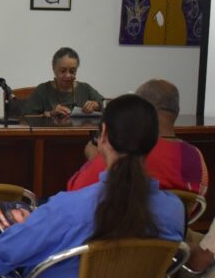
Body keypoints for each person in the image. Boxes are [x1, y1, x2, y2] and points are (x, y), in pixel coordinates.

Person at [0, 94, 185, 278]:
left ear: (103, 135)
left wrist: (31, 226)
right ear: (153, 142)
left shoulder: (68, 208)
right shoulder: (173, 211)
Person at [67, 79, 208, 194]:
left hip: (121, 227)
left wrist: (95, 159)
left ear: (142, 111)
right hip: (176, 226)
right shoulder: (196, 156)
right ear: (177, 111)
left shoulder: (127, 154)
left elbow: (76, 190)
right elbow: (196, 201)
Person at [21, 47, 104, 117]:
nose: (68, 75)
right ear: (54, 68)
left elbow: (104, 105)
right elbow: (24, 117)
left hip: (82, 135)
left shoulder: (85, 88)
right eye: (63, 71)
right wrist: (50, 114)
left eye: (72, 71)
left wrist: (95, 105)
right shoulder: (43, 90)